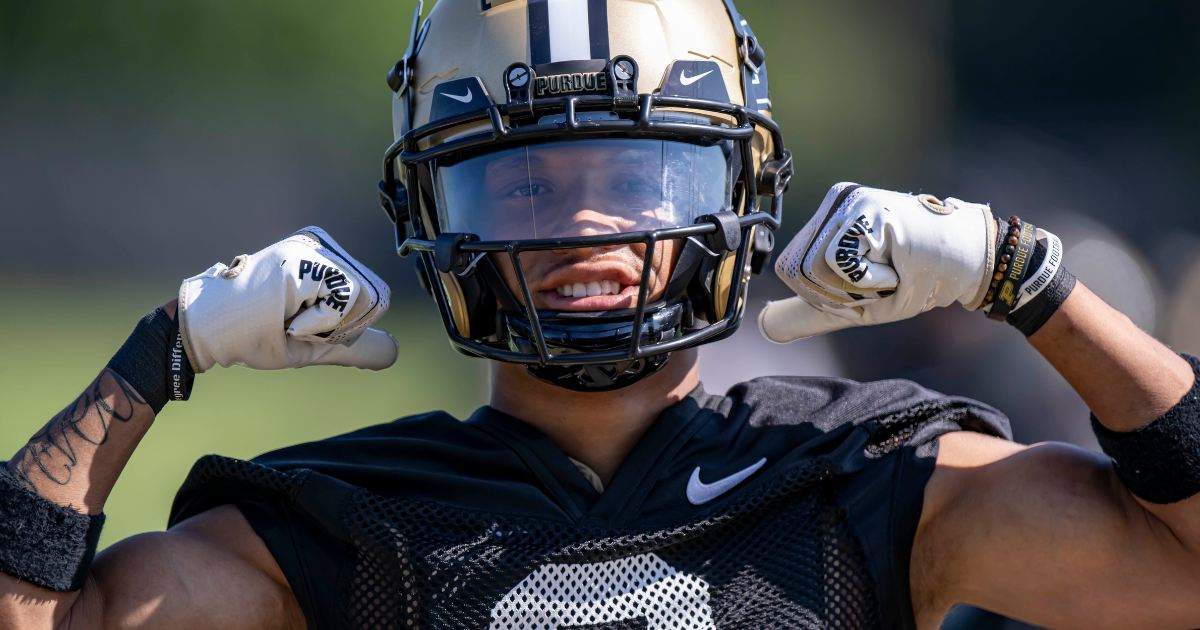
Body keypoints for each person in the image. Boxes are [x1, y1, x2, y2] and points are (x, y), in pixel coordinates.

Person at [2, 1, 1199, 629]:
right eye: (525, 185)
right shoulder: (346, 528)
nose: (585, 232)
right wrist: (155, 358)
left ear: (734, 192)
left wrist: (1028, 281)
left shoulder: (861, 483)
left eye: (637, 182)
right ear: (434, 211)